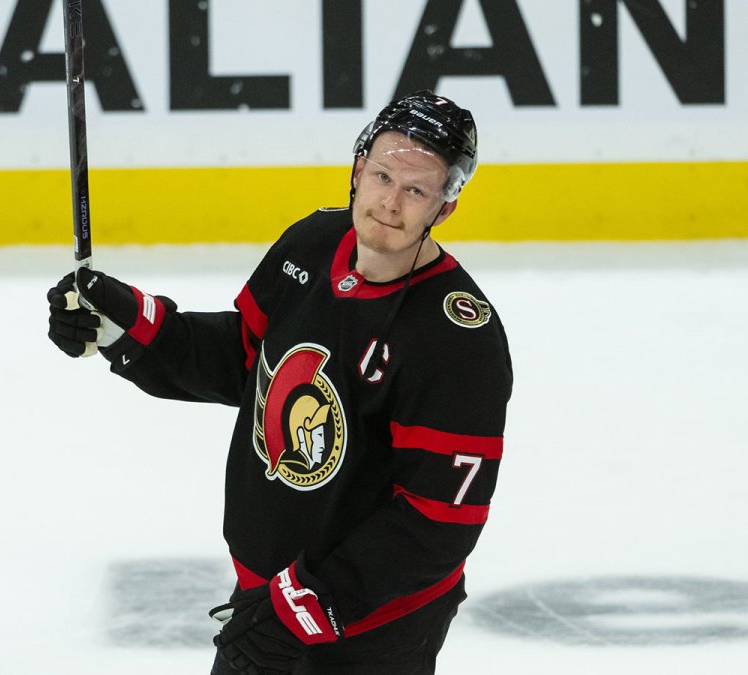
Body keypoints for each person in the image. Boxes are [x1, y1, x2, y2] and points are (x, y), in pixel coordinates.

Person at [47, 90, 513, 674]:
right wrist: (133, 328)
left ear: (443, 208)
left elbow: (437, 522)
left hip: (369, 628)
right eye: (383, 176)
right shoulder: (313, 243)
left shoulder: (458, 339)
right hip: (268, 601)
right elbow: (247, 360)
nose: (390, 203)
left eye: (416, 190)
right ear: (358, 168)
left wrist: (312, 603)